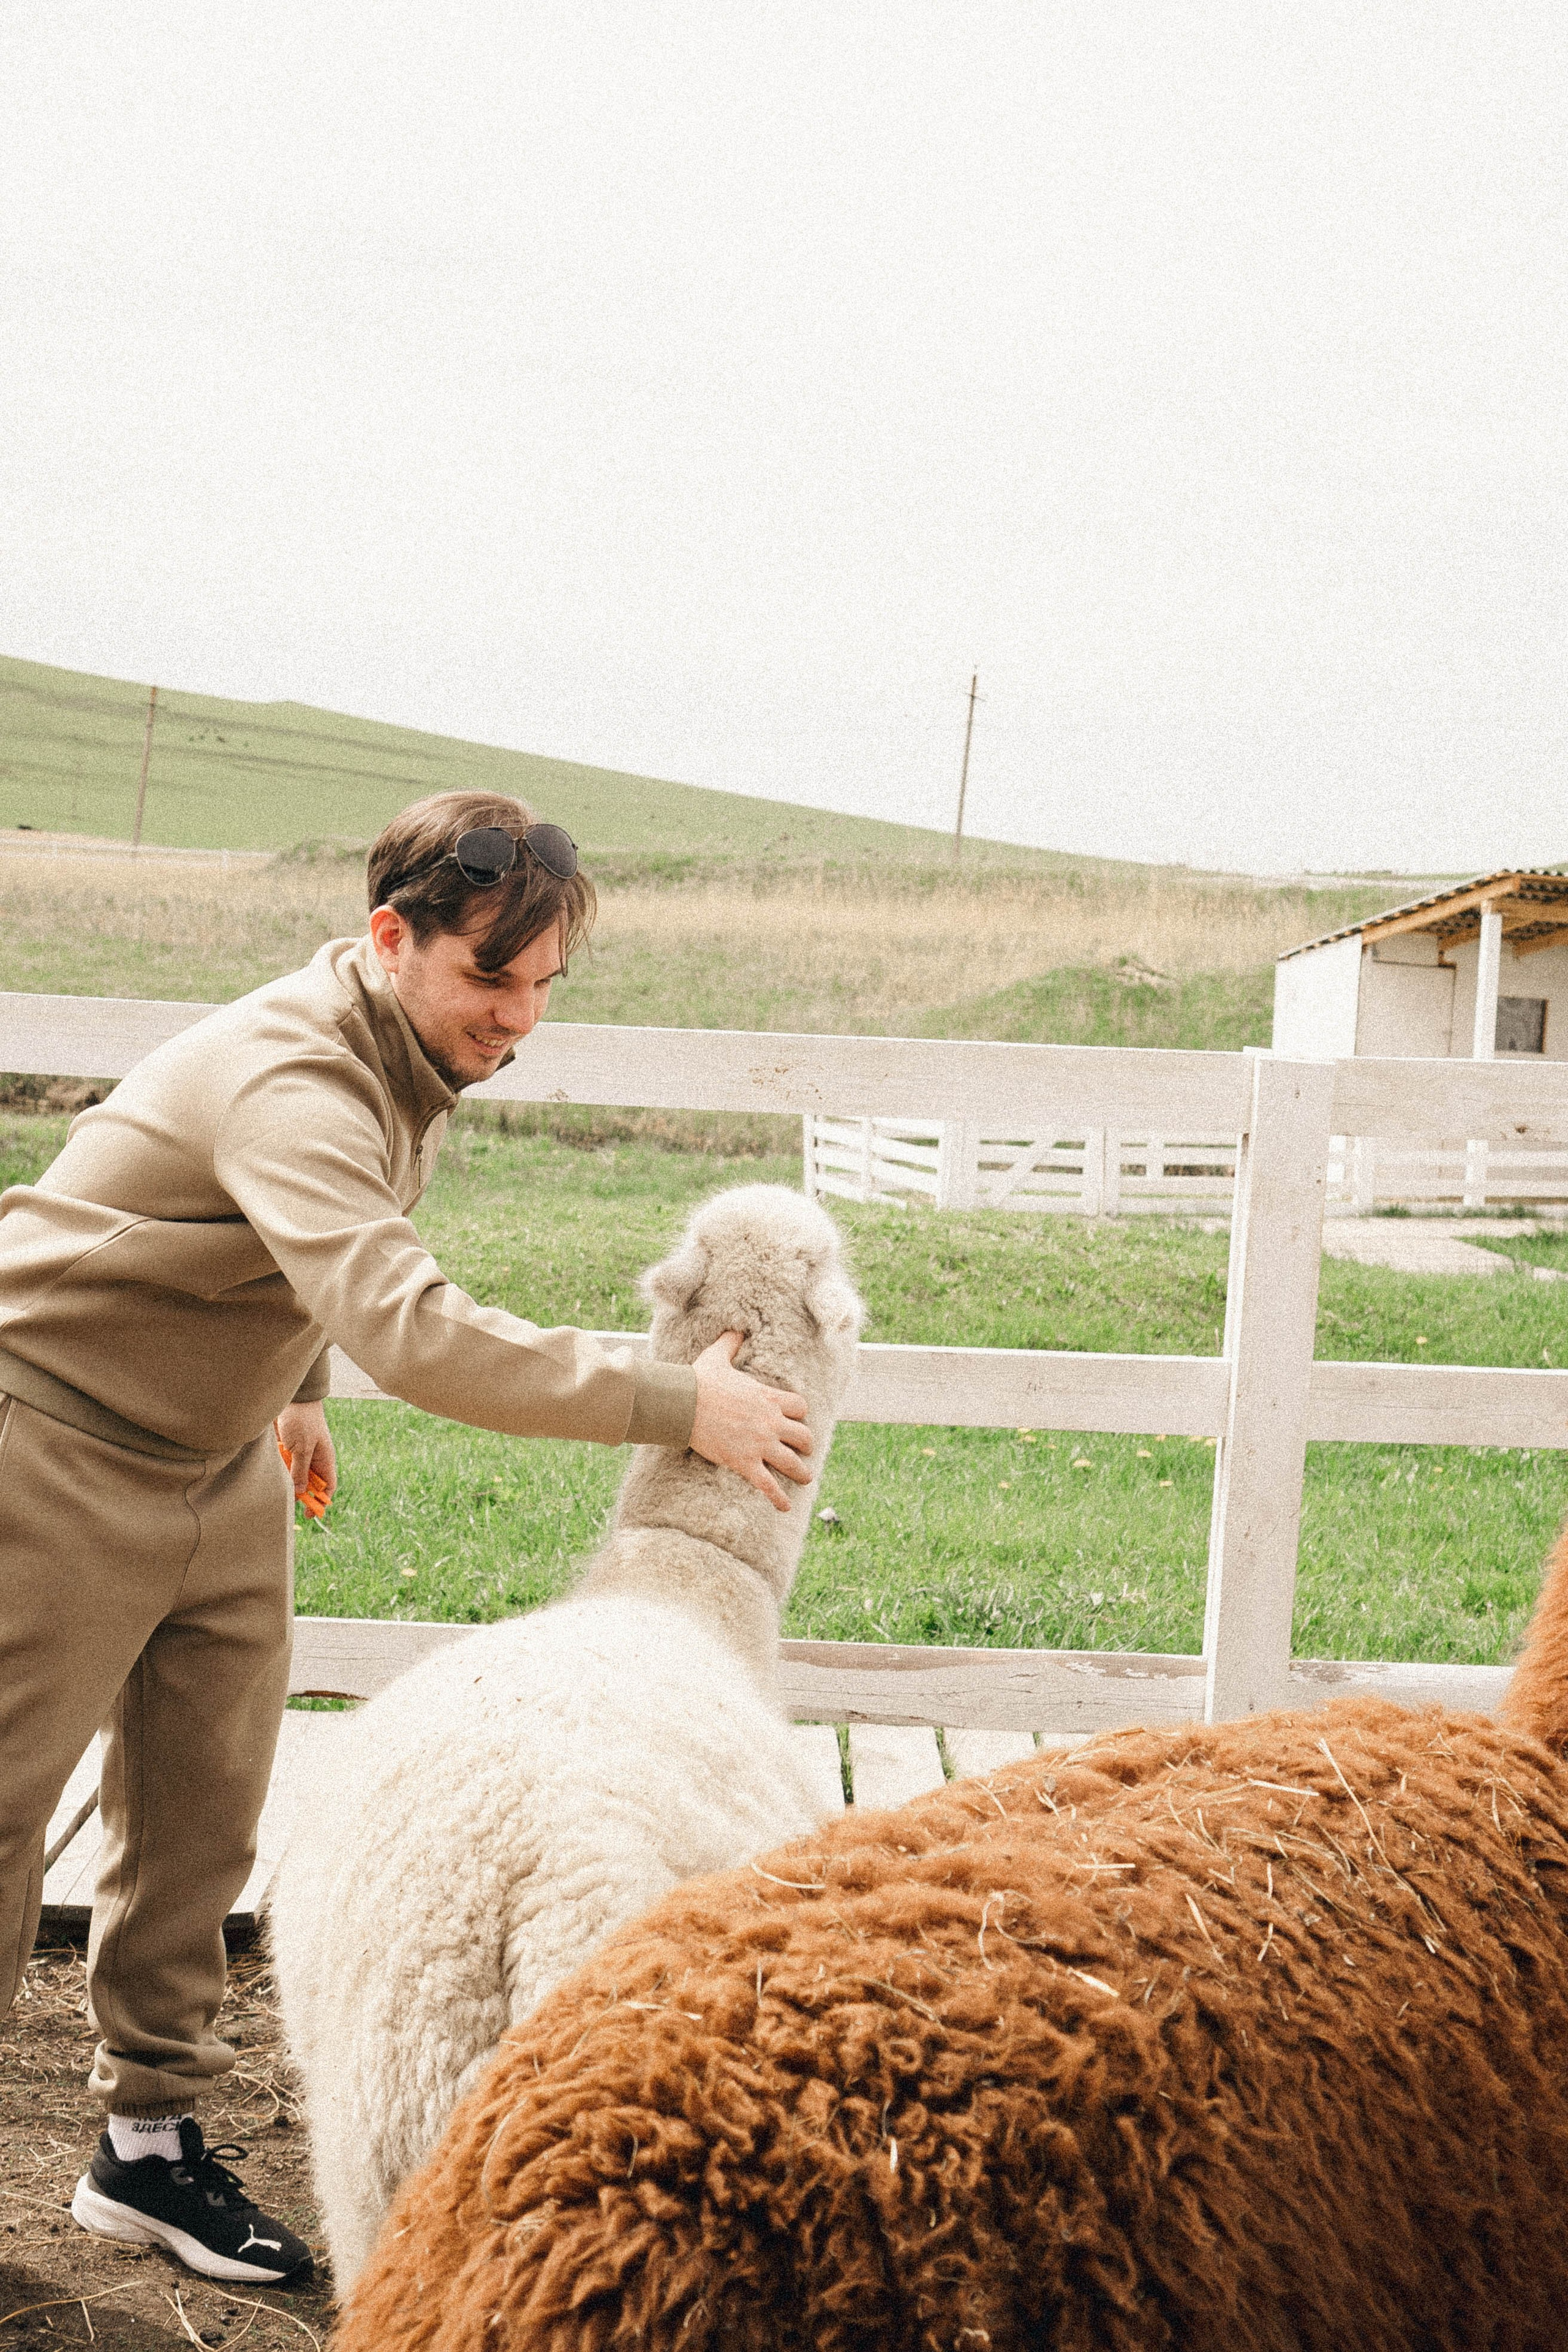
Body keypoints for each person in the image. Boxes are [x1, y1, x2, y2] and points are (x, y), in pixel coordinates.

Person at [0, 790, 812, 2285]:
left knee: (202, 1813)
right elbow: (415, 1329)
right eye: (491, 976)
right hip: (47, 1446)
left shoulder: (397, 1054)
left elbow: (277, 1246)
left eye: (543, 985)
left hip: (217, 1464)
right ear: (391, 936)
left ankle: (146, 2152)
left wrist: (292, 1382)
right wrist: (671, 1401)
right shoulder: (296, 1075)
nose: (518, 1017)